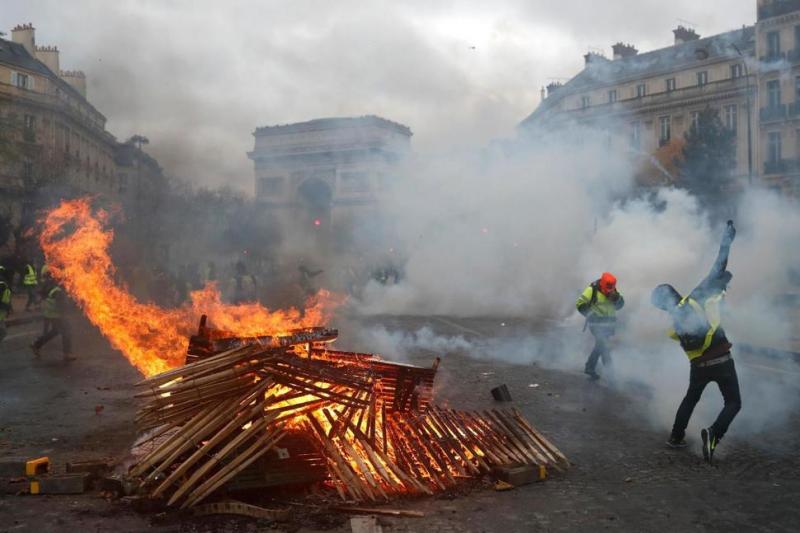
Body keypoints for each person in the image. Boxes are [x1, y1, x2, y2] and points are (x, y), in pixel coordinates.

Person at [651, 221, 740, 464]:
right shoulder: (694, 298)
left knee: (690, 399)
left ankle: (675, 437)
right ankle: (714, 434)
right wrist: (726, 240)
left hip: (698, 367)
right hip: (722, 359)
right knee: (733, 402)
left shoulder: (674, 325)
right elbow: (718, 266)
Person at [576, 272, 625, 380]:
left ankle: (589, 367)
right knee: (604, 346)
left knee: (600, 346)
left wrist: (617, 299)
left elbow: (620, 306)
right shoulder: (592, 290)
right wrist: (591, 315)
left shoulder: (613, 291)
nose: (609, 290)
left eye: (612, 287)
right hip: (596, 324)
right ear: (602, 283)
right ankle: (610, 373)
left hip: (608, 325)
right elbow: (579, 303)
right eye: (608, 287)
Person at [30, 278, 73, 361]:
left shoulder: (52, 288)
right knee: (67, 332)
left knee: (55, 331)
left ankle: (36, 344)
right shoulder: (59, 292)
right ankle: (67, 354)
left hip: (51, 315)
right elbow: (61, 306)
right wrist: (67, 312)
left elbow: (42, 294)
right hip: (58, 316)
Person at [0, 265, 12, 345]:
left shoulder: (3, 284)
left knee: (3, 331)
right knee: (3, 332)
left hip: (2, 312)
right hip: (1, 310)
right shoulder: (2, 285)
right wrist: (6, 306)